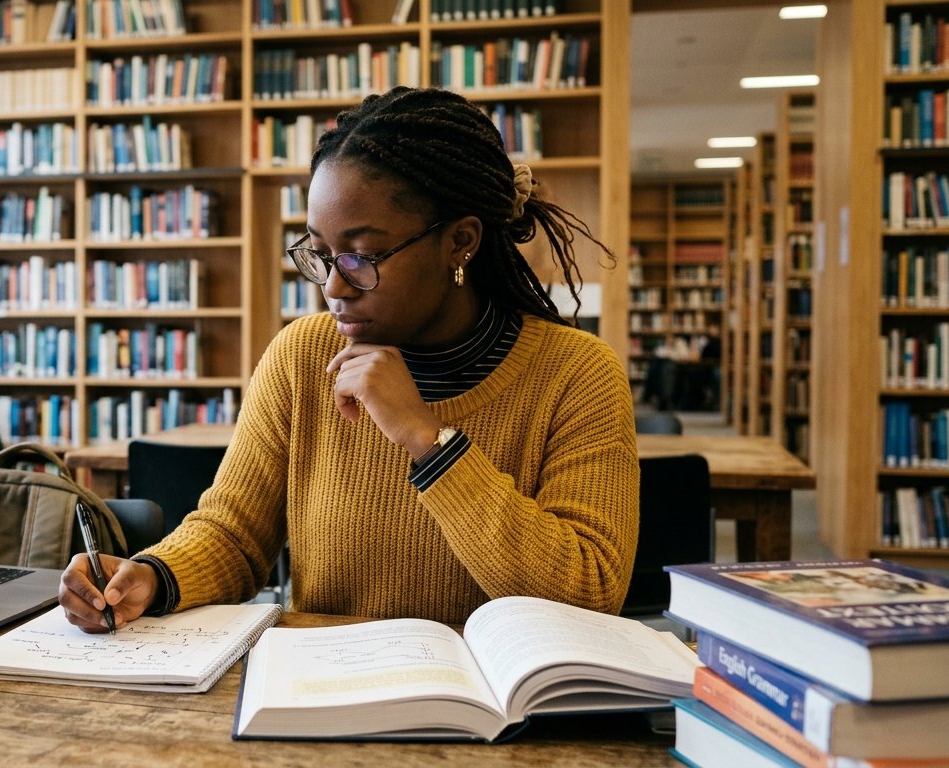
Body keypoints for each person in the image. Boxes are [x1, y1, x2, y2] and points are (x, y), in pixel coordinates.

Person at [59, 86, 640, 632]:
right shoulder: (302, 356)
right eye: (319, 254)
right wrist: (153, 577)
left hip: (504, 718)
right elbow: (233, 535)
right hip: (324, 699)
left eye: (361, 256)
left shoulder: (577, 375)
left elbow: (588, 594)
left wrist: (426, 439)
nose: (333, 287)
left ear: (460, 241)